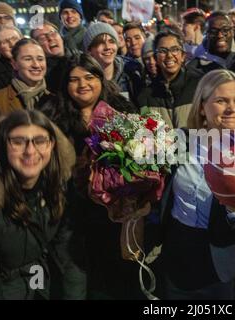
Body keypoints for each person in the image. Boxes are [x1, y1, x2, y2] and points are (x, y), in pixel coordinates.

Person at [40, 54, 149, 299]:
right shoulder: (52, 113)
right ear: (65, 84)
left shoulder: (121, 109)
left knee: (118, 281)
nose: (83, 85)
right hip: (70, 216)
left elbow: (143, 156)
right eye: (74, 79)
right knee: (76, 281)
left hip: (114, 214)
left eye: (89, 77)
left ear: (100, 78)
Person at [0, 109, 86, 299]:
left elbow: (68, 256)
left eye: (40, 141)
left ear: (52, 144)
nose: (30, 151)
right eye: (18, 142)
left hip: (40, 283)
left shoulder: (58, 182)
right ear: (3, 145)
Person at [160, 69, 235, 300]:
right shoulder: (179, 140)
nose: (232, 108)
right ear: (202, 106)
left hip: (220, 265)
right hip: (177, 258)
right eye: (221, 101)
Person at [137, 30, 201, 129]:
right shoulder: (146, 95)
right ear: (156, 58)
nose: (169, 55)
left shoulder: (198, 85)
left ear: (183, 56)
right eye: (162, 51)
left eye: (175, 49)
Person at [83, 22, 142, 104]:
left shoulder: (131, 71)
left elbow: (144, 107)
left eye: (111, 41)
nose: (107, 47)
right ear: (89, 51)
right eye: (100, 43)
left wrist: (145, 116)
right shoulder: (84, 78)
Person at [0, 38, 52, 115]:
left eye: (40, 59)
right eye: (28, 59)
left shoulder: (56, 98)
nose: (36, 65)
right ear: (14, 64)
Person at [186, 11, 235, 79]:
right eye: (213, 31)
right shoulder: (193, 68)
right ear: (206, 34)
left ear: (232, 31)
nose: (220, 35)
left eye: (225, 30)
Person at [31, 20, 80, 95]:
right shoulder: (38, 73)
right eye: (42, 38)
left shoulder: (81, 59)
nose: (50, 38)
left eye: (53, 33)